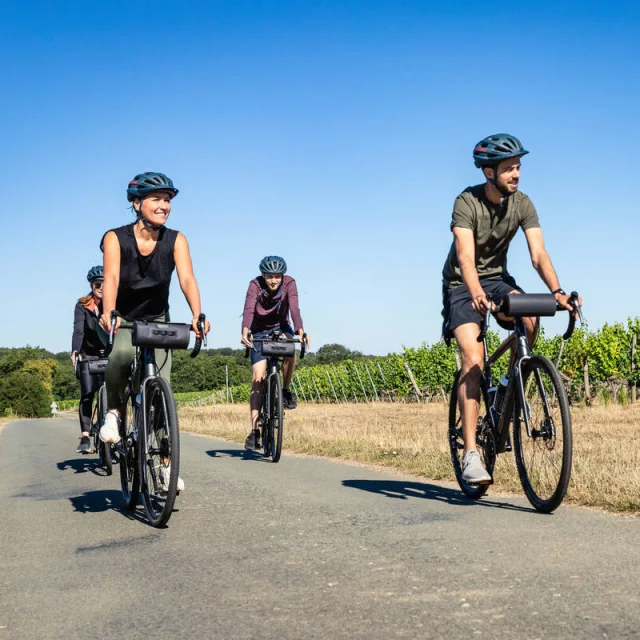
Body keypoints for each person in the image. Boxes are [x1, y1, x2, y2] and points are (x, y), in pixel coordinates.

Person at [441, 133, 580, 484]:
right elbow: (465, 257)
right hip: (462, 284)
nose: (516, 174)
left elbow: (538, 254)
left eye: (518, 167)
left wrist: (558, 291)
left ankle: (508, 387)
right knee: (473, 360)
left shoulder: (523, 203)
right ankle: (472, 453)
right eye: (508, 169)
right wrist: (474, 291)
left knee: (531, 318)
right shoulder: (466, 202)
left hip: (498, 279)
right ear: (489, 173)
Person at [98, 172, 210, 493]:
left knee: (163, 392)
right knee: (119, 355)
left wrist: (197, 313)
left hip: (158, 319)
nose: (164, 206)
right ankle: (114, 414)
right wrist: (108, 312)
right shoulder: (115, 238)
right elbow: (112, 278)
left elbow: (187, 279)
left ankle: (164, 468)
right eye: (156, 199)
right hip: (125, 318)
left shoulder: (176, 240)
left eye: (167, 200)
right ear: (136, 203)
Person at [240, 256, 309, 450]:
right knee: (258, 378)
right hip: (259, 331)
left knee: (290, 350)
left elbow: (294, 308)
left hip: (281, 327)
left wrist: (301, 331)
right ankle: (254, 431)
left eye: (277, 276)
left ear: (282, 276)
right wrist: (245, 331)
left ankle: (285, 391)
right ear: (263, 275)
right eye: (270, 276)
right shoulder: (255, 285)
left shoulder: (290, 283)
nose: (273, 280)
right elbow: (248, 309)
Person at [71, 265, 107, 454]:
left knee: (116, 392)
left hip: (110, 352)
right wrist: (76, 351)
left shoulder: (115, 303)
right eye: (97, 284)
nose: (100, 287)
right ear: (92, 286)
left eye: (104, 283)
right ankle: (85, 436)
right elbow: (79, 330)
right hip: (89, 353)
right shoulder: (83, 305)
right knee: (87, 393)